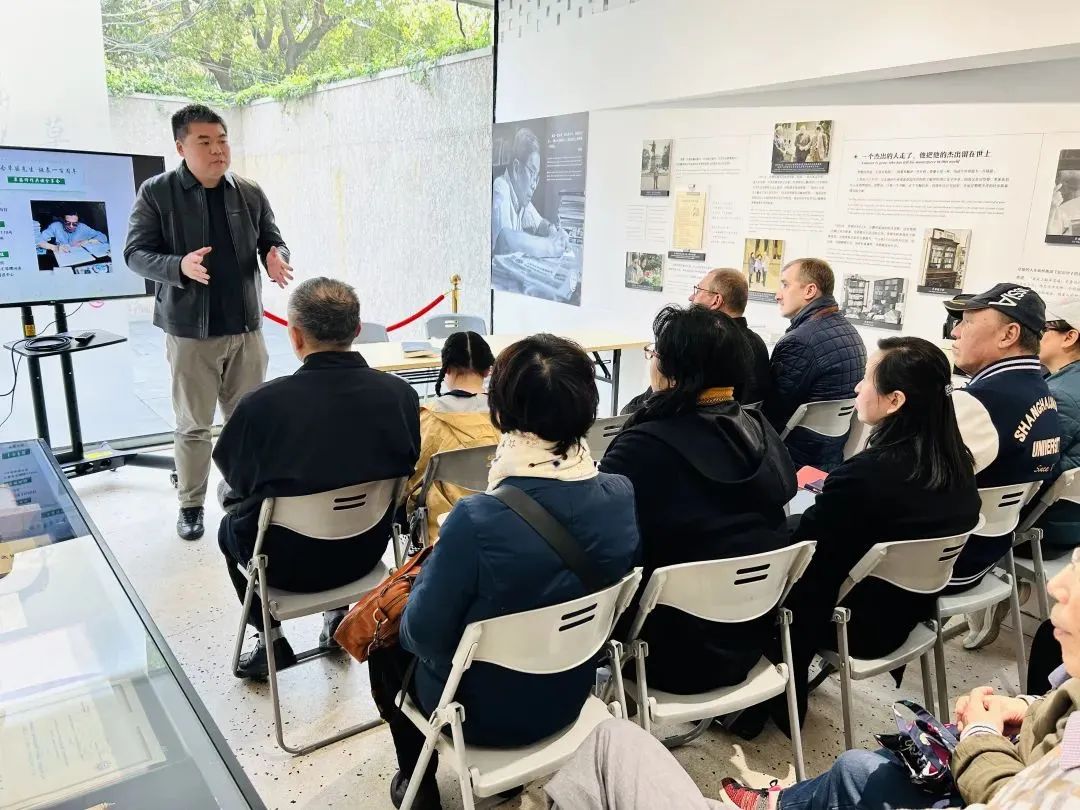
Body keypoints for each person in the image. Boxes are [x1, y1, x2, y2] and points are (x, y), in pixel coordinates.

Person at [368, 334, 640, 809]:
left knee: (385, 644)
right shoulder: (620, 494)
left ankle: (417, 782)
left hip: (480, 716)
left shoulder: (476, 521)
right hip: (571, 692)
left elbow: (423, 637)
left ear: (499, 413)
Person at [721, 550, 1080, 810]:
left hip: (863, 632)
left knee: (856, 770)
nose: (1056, 585)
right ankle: (787, 801)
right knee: (900, 753)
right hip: (909, 622)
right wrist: (1029, 708)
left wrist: (979, 734)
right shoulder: (963, 499)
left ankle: (785, 803)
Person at [213, 278, 419, 680]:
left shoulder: (262, 406)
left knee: (228, 527)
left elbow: (238, 480)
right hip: (365, 555)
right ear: (356, 330)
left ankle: (270, 638)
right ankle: (338, 619)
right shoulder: (400, 396)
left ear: (294, 336)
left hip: (286, 565)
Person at [778, 337, 981, 725]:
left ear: (895, 400)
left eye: (867, 378)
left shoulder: (869, 476)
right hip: (907, 618)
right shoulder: (958, 465)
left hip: (853, 625)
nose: (857, 387)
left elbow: (808, 552)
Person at [600, 305, 795, 694]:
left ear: (672, 371)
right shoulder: (760, 431)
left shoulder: (643, 446)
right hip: (748, 639)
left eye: (654, 353)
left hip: (663, 652)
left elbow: (602, 541)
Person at [124, 103, 293, 542]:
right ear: (181, 147)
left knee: (246, 421)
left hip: (246, 329)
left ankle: (246, 496)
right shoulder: (157, 192)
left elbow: (272, 239)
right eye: (205, 141)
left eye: (222, 140)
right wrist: (178, 266)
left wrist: (276, 256)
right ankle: (191, 504)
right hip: (190, 333)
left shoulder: (249, 192)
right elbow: (135, 254)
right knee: (194, 425)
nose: (218, 149)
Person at [940, 284, 1060, 611]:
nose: (955, 333)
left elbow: (909, 491)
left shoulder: (978, 404)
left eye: (966, 323)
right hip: (989, 554)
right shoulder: (1044, 395)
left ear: (1008, 335)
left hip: (944, 566)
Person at [764, 258, 866, 471]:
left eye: (785, 285)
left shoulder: (800, 341)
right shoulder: (850, 332)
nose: (778, 295)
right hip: (830, 457)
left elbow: (772, 414)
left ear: (810, 291)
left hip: (792, 460)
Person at [622, 269, 771, 414]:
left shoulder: (699, 346)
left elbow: (657, 400)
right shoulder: (758, 344)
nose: (691, 297)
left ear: (716, 300)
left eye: (698, 290)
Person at [406, 331, 499, 542]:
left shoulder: (429, 418)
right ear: (487, 370)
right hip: (504, 516)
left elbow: (413, 477)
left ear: (446, 368)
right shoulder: (509, 415)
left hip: (446, 527)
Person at [491, 127, 569, 259]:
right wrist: (549, 246)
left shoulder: (521, 199)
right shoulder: (500, 186)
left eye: (536, 178)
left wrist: (552, 231)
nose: (534, 185)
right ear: (516, 169)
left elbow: (540, 224)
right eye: (532, 173)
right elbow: (505, 238)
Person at [37, 212, 107, 253]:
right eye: (68, 223)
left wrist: (88, 241)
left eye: (75, 224)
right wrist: (55, 247)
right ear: (62, 221)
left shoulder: (83, 227)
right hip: (62, 257)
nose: (71, 226)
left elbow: (103, 237)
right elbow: (38, 240)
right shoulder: (55, 226)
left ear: (78, 222)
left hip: (79, 256)